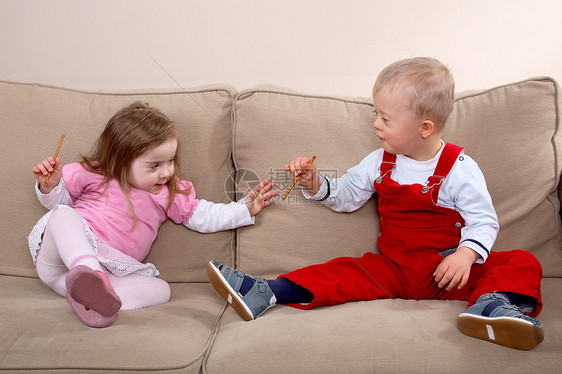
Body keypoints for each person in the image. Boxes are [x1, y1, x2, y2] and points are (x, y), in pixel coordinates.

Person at [208, 57, 544, 350]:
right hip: (395, 268)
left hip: (449, 273)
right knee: (342, 272)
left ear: (424, 128)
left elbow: (483, 221)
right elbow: (347, 196)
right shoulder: (378, 162)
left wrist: (465, 256)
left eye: (386, 119)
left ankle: (492, 307)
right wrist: (314, 184)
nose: (376, 124)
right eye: (376, 115)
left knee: (522, 262)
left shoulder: (460, 169)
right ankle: (264, 292)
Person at [29, 101, 276, 328]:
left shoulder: (169, 193)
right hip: (61, 260)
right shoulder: (94, 173)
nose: (167, 172)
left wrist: (243, 209)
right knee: (62, 215)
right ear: (120, 160)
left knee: (160, 290)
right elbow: (57, 204)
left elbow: (203, 215)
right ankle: (90, 276)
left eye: (170, 160)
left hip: (109, 271)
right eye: (155, 165)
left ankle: (90, 299)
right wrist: (50, 186)